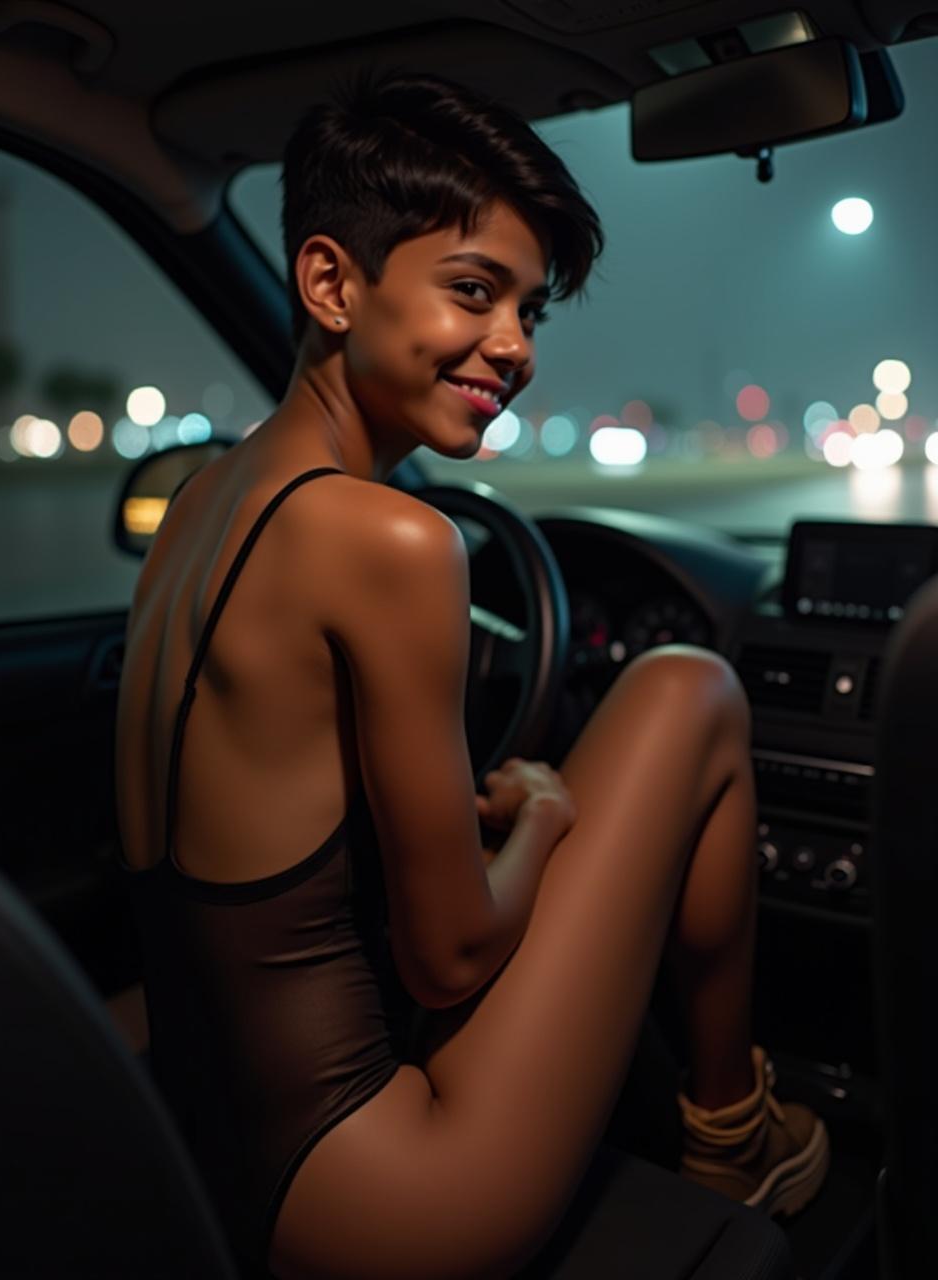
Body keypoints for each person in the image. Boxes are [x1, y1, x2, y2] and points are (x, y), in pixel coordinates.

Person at [114, 69, 829, 1280]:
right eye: (473, 290)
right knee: (688, 687)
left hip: (189, 1130)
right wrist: (543, 816)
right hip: (375, 1195)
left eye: (532, 311)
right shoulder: (393, 540)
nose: (514, 347)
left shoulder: (195, 502)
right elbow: (446, 957)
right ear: (333, 283)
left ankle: (729, 1125)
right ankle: (735, 1131)